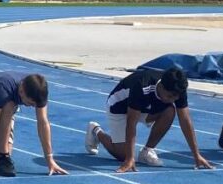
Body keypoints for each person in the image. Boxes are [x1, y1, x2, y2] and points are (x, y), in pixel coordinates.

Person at [84, 67, 213, 173]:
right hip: (119, 108)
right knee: (122, 155)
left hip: (145, 108)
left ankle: (147, 150)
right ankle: (96, 131)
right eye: (170, 96)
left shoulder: (178, 89)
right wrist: (129, 158)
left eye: (176, 97)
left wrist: (196, 155)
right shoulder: (142, 86)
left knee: (170, 111)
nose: (173, 100)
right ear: (161, 87)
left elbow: (185, 120)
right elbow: (131, 123)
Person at [0, 71, 66, 177]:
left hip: (5, 108)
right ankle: (3, 154)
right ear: (21, 91)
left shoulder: (39, 89)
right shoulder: (4, 87)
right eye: (30, 103)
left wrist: (49, 159)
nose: (32, 107)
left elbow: (43, 123)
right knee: (9, 104)